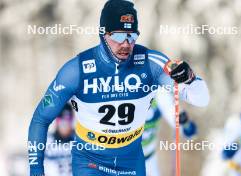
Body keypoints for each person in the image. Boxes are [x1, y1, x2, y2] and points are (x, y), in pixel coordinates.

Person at [28, 0, 209, 175]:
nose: (126, 44)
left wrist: (190, 78)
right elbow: (40, 119)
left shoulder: (150, 63)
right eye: (119, 35)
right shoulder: (77, 69)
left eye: (132, 36)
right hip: (90, 161)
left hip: (131, 161)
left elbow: (201, 100)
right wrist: (36, 170)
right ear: (103, 33)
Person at [44, 103, 74, 176]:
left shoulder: (79, 141)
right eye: (62, 122)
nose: (65, 126)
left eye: (68, 121)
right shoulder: (46, 141)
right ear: (57, 121)